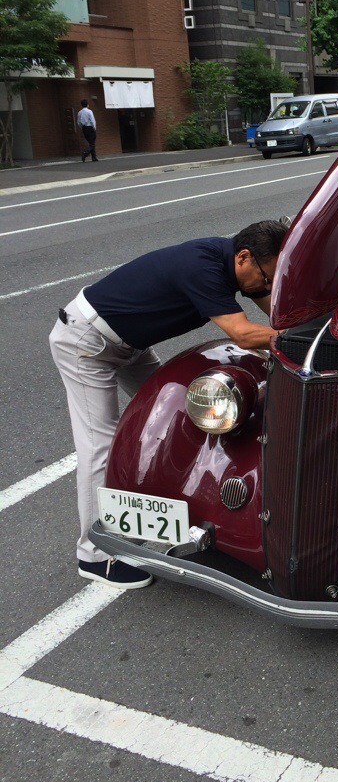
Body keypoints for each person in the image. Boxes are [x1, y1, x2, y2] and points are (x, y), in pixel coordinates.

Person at [49, 220, 288, 590]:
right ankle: (95, 555)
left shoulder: (239, 265)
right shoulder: (205, 268)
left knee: (181, 415)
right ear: (244, 258)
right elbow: (243, 334)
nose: (267, 284)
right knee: (101, 444)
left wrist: (313, 327)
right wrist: (295, 338)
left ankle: (160, 511)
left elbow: (277, 313)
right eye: (267, 276)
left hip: (129, 344)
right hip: (87, 342)